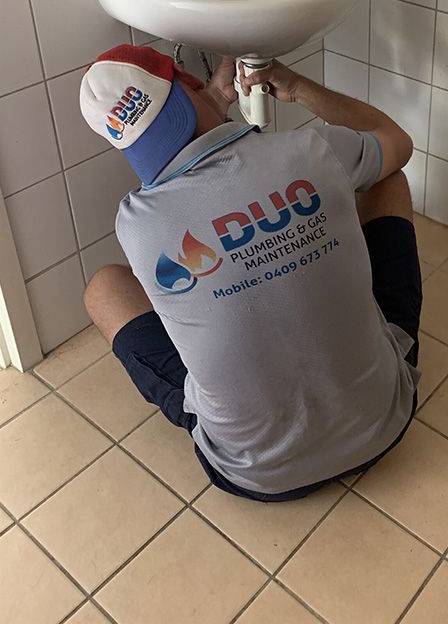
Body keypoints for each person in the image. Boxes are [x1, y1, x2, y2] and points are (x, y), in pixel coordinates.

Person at [79, 44, 421, 501]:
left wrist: (209, 100)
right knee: (386, 176)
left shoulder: (137, 223)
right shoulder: (313, 150)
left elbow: (198, 160)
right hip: (384, 422)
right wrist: (297, 87)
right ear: (189, 82)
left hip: (255, 472)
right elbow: (395, 140)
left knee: (104, 288)